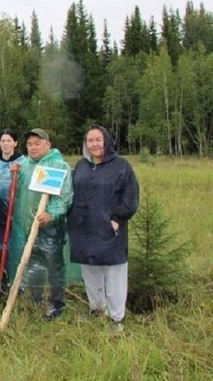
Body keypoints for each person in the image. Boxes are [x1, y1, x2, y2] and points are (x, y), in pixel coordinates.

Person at [68, 125, 139, 331]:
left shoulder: (121, 166)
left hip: (108, 229)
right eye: (90, 141)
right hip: (82, 229)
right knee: (90, 271)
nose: (94, 144)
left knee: (114, 273)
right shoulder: (81, 165)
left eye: (98, 140)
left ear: (106, 141)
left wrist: (117, 219)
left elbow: (130, 198)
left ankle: (116, 317)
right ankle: (96, 309)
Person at [7, 128, 73, 320]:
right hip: (25, 227)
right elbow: (19, 194)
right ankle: (34, 299)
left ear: (48, 144)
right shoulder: (25, 165)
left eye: (37, 143)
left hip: (49, 228)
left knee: (53, 265)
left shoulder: (58, 165)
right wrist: (15, 176)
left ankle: (56, 304)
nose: (33, 147)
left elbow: (65, 196)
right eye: (29, 144)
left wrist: (51, 214)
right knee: (31, 264)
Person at [0, 129, 25, 273]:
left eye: (9, 141)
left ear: (15, 143)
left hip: (16, 214)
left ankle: (18, 279)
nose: (5, 144)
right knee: (1, 249)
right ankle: (5, 275)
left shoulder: (23, 163)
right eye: (3, 141)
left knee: (16, 248)